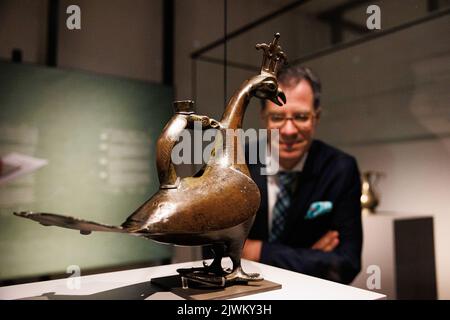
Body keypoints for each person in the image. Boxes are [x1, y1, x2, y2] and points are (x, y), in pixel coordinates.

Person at [242, 65, 363, 284]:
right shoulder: (236, 162)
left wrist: (258, 251)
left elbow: (346, 264)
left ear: (316, 117)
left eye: (300, 116)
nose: (288, 131)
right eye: (277, 117)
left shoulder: (341, 169)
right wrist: (310, 256)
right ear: (264, 118)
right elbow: (214, 253)